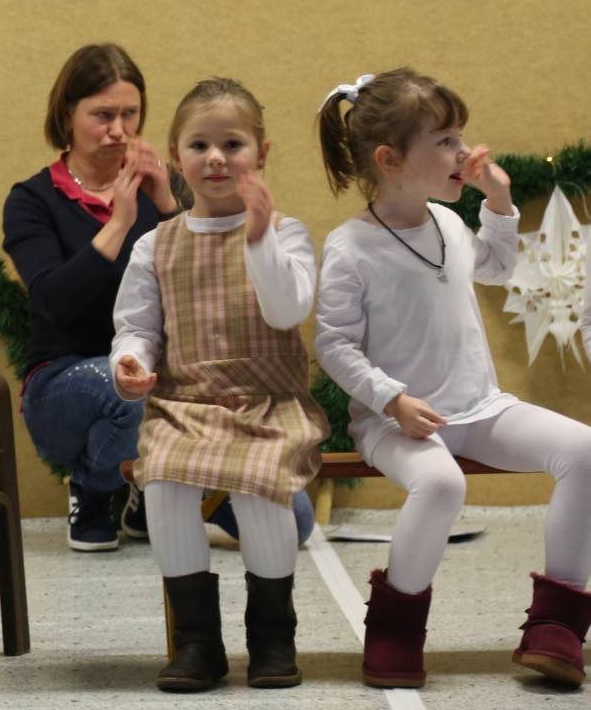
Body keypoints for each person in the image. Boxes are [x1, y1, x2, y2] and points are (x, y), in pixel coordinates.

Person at [315, 68, 591, 689]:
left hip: (479, 407)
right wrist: (392, 399)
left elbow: (492, 268)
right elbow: (332, 345)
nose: (462, 152)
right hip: (394, 420)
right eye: (443, 140)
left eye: (459, 135)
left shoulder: (445, 220)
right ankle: (394, 629)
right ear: (389, 159)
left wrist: (498, 201)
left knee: (585, 451)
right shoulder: (350, 247)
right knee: (440, 486)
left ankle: (556, 626)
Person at [112, 79, 327, 691]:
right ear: (177, 157)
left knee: (260, 492)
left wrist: (257, 235)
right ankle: (197, 641)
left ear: (262, 154)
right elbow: (137, 326)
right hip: (186, 402)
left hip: (269, 404)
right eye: (198, 144)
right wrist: (129, 362)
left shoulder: (286, 233)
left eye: (232, 143)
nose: (215, 158)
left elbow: (287, 310)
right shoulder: (157, 244)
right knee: (166, 485)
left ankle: (271, 635)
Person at [2, 43, 182, 550]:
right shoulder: (32, 199)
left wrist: (167, 205)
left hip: (156, 374)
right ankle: (95, 487)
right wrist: (119, 223)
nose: (119, 131)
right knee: (123, 380)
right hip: (62, 381)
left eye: (131, 115)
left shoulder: (161, 192)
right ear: (68, 115)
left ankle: (147, 484)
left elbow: (199, 288)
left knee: (297, 522)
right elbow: (53, 302)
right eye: (102, 115)